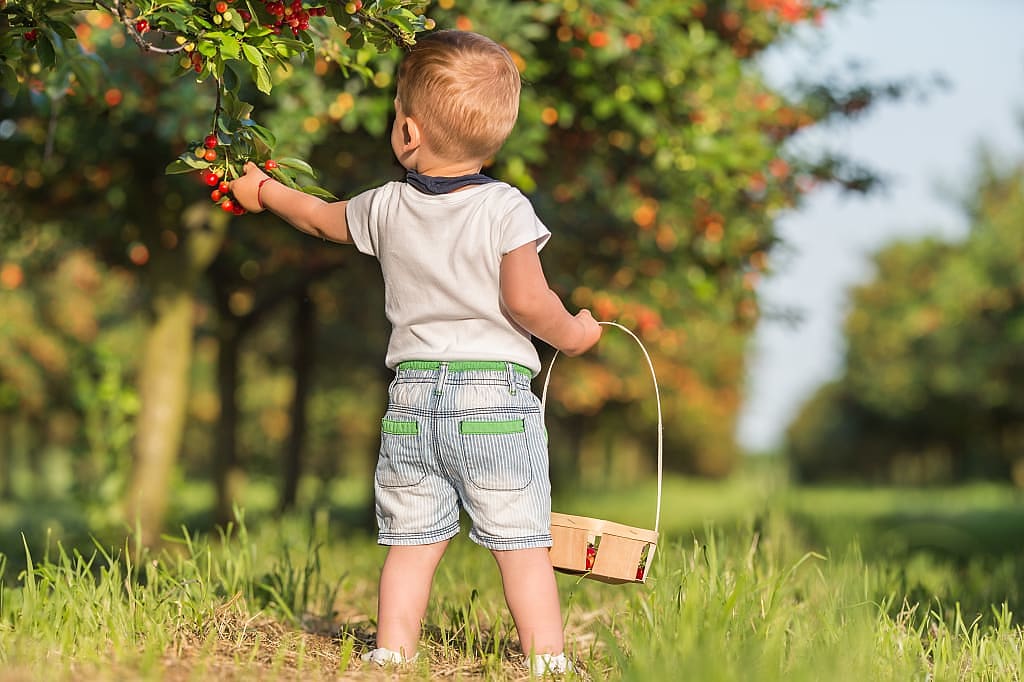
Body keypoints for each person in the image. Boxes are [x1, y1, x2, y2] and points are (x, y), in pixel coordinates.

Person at [230, 29, 602, 675]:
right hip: (492, 401)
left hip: (412, 398)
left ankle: (392, 651)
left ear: (408, 132)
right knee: (521, 543)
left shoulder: (385, 206)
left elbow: (318, 216)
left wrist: (262, 191)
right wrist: (575, 333)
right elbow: (526, 301)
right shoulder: (505, 207)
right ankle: (546, 661)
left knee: (411, 541)